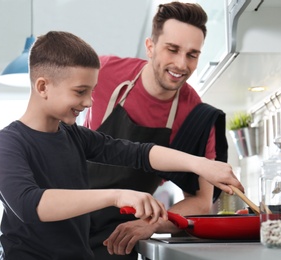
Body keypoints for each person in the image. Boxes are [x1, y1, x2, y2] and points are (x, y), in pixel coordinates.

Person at [0, 31, 243, 260]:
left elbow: (139, 153)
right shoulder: (5, 144)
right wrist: (116, 196)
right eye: (80, 91)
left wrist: (202, 164)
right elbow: (30, 204)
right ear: (43, 86)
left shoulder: (75, 136)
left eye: (91, 91)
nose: (89, 102)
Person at [83, 2, 231, 259]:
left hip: (117, 239)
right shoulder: (102, 72)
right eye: (172, 49)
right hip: (67, 219)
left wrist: (150, 224)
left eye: (192, 54)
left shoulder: (196, 116)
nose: (181, 64)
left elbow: (201, 202)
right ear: (150, 47)